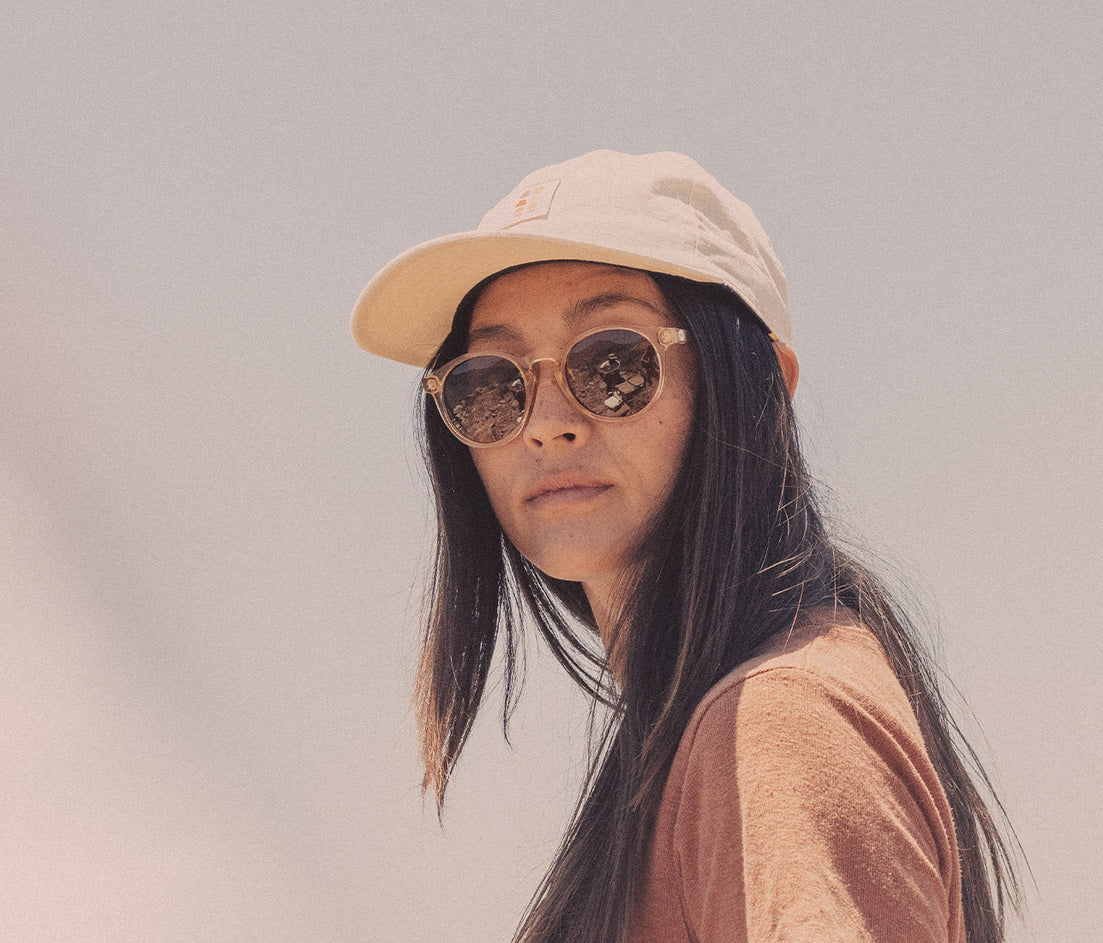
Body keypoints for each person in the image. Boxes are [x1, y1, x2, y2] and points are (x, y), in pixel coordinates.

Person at [351, 150, 1023, 942]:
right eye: (492, 385)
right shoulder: (716, 729)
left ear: (762, 385)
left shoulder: (776, 721)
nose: (546, 422)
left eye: (612, 363)